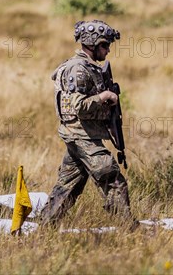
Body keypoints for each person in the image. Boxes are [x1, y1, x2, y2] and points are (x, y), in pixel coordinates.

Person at [40, 20, 131, 225]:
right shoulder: (78, 69)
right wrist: (104, 96)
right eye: (105, 45)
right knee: (113, 180)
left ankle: (45, 226)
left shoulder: (89, 67)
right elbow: (78, 106)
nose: (108, 50)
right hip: (81, 135)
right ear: (92, 44)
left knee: (67, 187)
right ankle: (128, 228)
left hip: (82, 134)